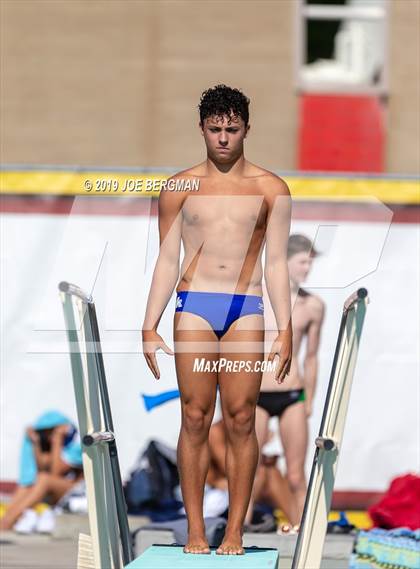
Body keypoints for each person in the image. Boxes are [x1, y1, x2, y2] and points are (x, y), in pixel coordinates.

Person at [142, 84, 293, 555]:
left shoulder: (271, 188)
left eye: (232, 129)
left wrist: (285, 328)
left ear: (247, 129)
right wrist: (149, 324)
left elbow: (276, 263)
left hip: (245, 307)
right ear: (201, 130)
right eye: (215, 129)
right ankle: (195, 530)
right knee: (193, 416)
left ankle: (235, 531)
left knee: (242, 418)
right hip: (194, 307)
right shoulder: (179, 187)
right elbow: (167, 260)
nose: (223, 138)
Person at [248, 234, 325, 529]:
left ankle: (306, 534)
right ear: (285, 262)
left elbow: (311, 357)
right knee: (248, 469)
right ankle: (237, 531)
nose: (307, 268)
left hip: (292, 393)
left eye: (310, 262)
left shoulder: (313, 306)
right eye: (302, 262)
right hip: (256, 393)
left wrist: (310, 397)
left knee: (295, 474)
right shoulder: (257, 299)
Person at [0, 413, 83, 532]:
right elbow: (40, 467)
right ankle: (6, 518)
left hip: (79, 491)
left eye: (48, 432)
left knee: (43, 479)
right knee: (29, 485)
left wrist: (57, 440)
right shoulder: (58, 443)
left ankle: (7, 523)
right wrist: (35, 443)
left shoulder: (76, 442)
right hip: (61, 489)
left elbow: (55, 473)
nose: (45, 436)